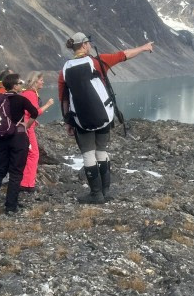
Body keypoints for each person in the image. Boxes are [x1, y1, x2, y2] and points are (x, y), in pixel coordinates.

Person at [58, 32, 154, 204]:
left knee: (88, 154)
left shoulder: (64, 70)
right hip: (104, 115)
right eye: (88, 43)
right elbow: (123, 55)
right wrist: (144, 48)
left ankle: (95, 194)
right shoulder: (97, 62)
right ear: (85, 45)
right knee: (101, 151)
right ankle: (105, 191)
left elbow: (64, 98)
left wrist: (68, 122)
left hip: (81, 119)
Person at [0, 72, 38, 214]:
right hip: (18, 138)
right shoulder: (21, 100)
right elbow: (34, 113)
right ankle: (10, 207)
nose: (22, 85)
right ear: (15, 86)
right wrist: (26, 125)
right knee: (16, 172)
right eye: (20, 83)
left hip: (1, 138)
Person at [20, 72, 54, 195]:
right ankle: (27, 183)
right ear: (35, 81)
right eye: (41, 80)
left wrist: (34, 121)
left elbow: (26, 112)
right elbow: (36, 112)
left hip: (23, 126)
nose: (43, 82)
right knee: (33, 154)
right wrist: (48, 105)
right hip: (27, 128)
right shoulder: (31, 94)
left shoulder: (25, 92)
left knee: (26, 153)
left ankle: (23, 181)